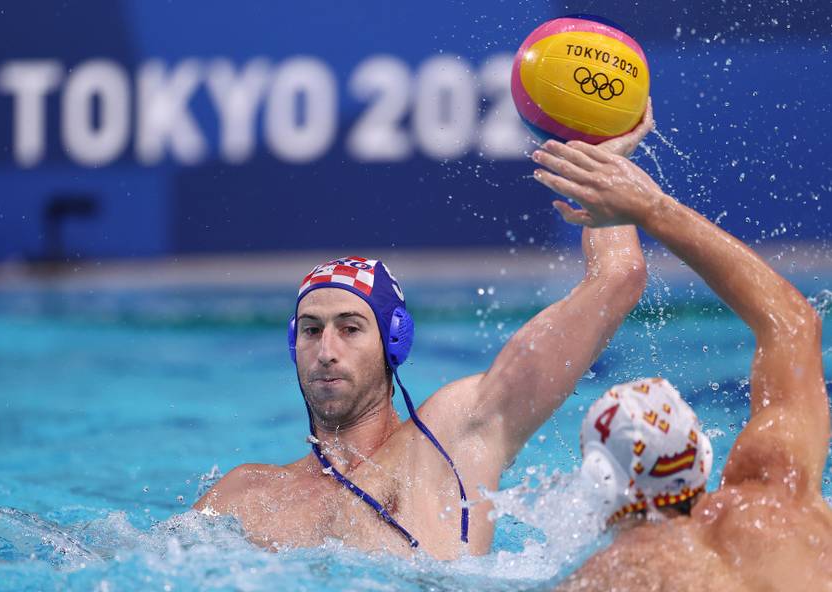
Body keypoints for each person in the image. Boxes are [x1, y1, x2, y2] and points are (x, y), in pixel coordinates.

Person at [193, 109, 656, 559]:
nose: (326, 351)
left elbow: (619, 279)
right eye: (312, 330)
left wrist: (602, 160)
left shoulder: (452, 436)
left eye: (350, 328)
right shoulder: (244, 496)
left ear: (394, 340)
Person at [528, 138, 831, 590]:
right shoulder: (780, 497)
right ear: (703, 457)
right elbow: (792, 323)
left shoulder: (614, 576)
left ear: (600, 482)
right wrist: (651, 208)